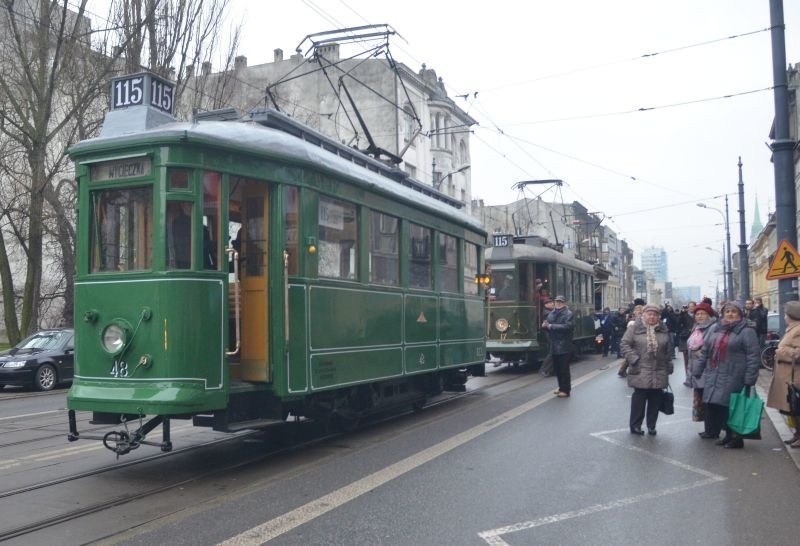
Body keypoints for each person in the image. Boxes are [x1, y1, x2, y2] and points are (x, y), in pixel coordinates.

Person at [693, 301, 760, 448]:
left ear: (740, 314)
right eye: (727, 311)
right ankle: (728, 435)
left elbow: (753, 356)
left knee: (733, 406)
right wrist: (697, 369)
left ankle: (736, 439)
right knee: (720, 406)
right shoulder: (717, 329)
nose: (730, 314)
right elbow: (705, 351)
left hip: (735, 374)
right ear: (723, 314)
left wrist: (750, 378)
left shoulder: (746, 331)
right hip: (715, 373)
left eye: (734, 311)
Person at [621, 304, 674, 435]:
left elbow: (668, 350)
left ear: (659, 317)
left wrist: (669, 365)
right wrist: (634, 359)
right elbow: (624, 344)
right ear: (643, 315)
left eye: (655, 315)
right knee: (639, 400)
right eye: (649, 314)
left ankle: (651, 425)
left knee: (655, 400)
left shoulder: (663, 330)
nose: (652, 317)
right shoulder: (634, 328)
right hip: (640, 369)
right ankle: (635, 426)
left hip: (659, 369)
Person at [766, 301, 800, 448]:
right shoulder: (792, 329)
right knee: (792, 408)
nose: (784, 317)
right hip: (788, 375)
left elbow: (798, 353)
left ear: (790, 315)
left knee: (796, 407)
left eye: (785, 314)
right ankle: (797, 434)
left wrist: (780, 352)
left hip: (794, 376)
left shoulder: (798, 330)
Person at [686, 302, 716, 423]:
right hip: (697, 367)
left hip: (706, 368)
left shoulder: (712, 328)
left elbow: (712, 348)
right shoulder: (697, 328)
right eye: (697, 314)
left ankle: (711, 428)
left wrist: (698, 354)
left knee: (708, 398)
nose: (699, 316)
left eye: (702, 314)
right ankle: (708, 427)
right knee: (701, 397)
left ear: (708, 315)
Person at [542, 295, 574, 397]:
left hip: (564, 345)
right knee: (558, 369)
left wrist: (551, 326)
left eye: (560, 302)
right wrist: (545, 326)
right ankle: (561, 387)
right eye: (557, 302)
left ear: (564, 303)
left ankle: (566, 390)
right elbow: (549, 326)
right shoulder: (551, 314)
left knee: (564, 369)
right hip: (554, 345)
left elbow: (568, 327)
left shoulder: (568, 314)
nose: (558, 303)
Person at [618, 304, 643, 377]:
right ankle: (622, 370)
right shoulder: (633, 321)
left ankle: (622, 370)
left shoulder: (635, 318)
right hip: (633, 339)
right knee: (631, 356)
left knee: (631, 356)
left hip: (634, 339)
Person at [675, 301, 696, 385]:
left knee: (695, 360)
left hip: (696, 339)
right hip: (686, 338)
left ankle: (694, 377)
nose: (691, 308)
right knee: (686, 359)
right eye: (689, 306)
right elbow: (677, 323)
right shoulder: (684, 315)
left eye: (693, 306)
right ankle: (688, 378)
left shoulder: (698, 315)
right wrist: (681, 314)